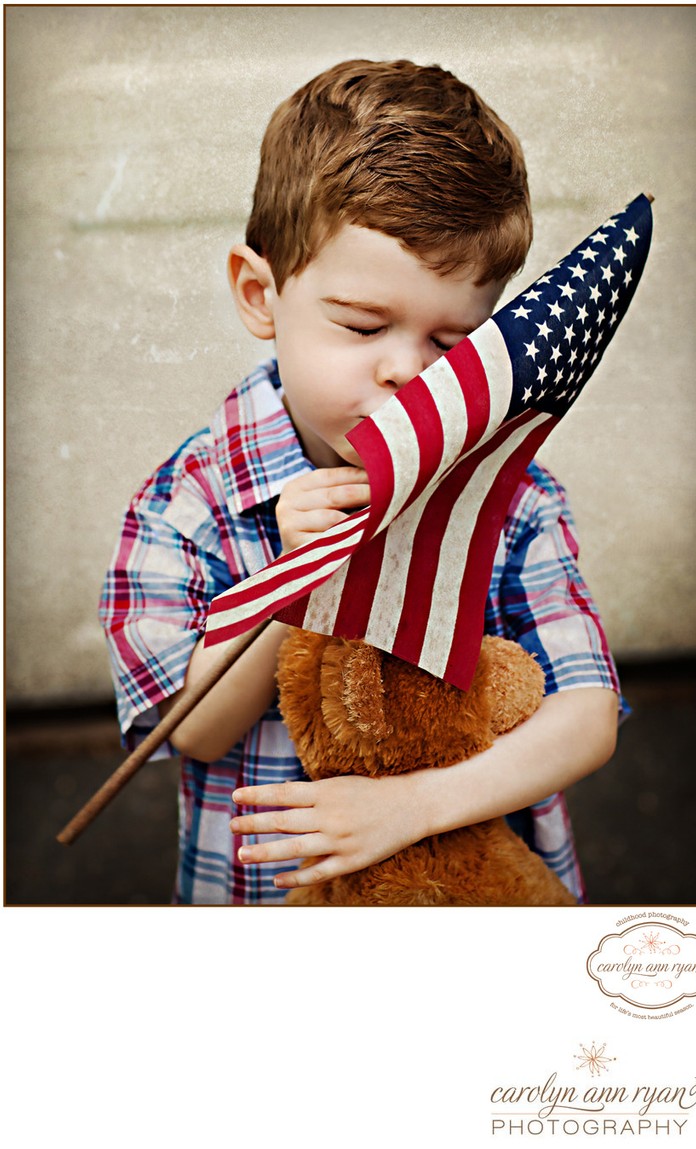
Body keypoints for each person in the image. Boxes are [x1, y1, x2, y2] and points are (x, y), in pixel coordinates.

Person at [99, 59, 620, 906]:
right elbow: (192, 730)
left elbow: (588, 713)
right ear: (260, 293)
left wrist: (408, 807)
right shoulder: (190, 501)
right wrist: (297, 571)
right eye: (362, 325)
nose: (406, 374)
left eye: (453, 343)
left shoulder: (511, 496)